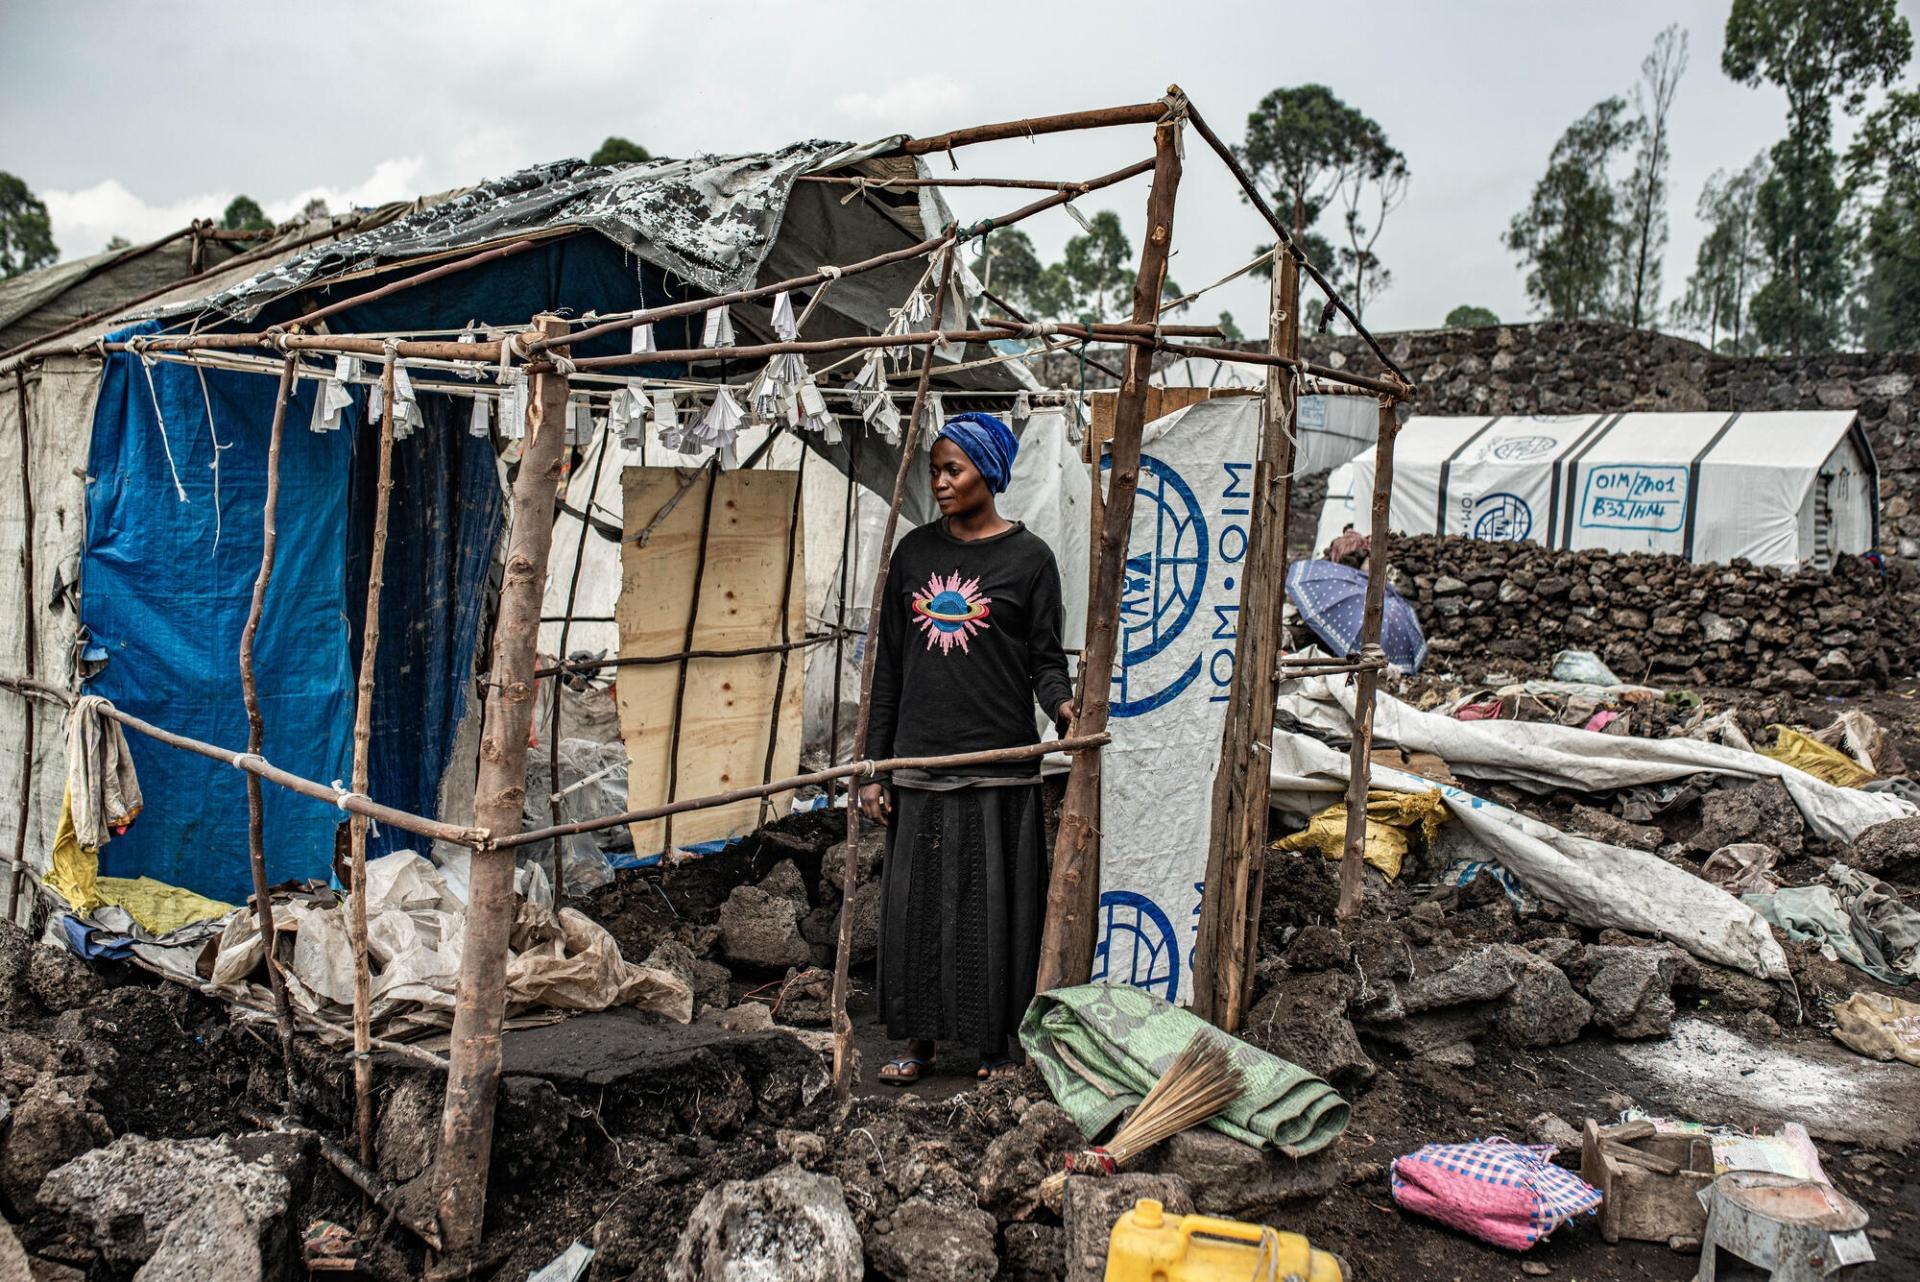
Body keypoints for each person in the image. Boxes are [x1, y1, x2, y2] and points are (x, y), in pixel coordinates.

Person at [860, 411, 1074, 1085]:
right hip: (920, 759)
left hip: (1000, 762)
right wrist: (875, 765)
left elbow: (1044, 660)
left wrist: (1065, 708)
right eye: (935, 470)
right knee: (916, 909)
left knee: (995, 909)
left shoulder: (1030, 560)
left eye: (953, 469)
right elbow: (888, 667)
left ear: (990, 471)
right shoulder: (914, 556)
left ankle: (995, 1045)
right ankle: (917, 1041)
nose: (941, 482)